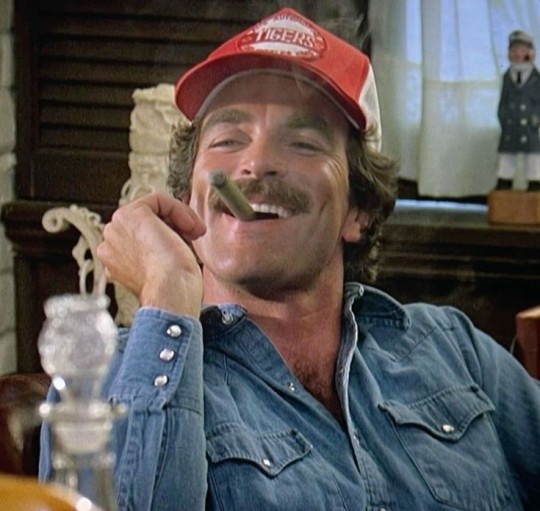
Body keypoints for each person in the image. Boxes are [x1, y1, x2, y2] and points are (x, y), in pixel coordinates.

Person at [40, 8, 540, 510]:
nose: (255, 164)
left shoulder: (454, 350)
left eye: (303, 143)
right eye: (228, 140)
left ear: (359, 209)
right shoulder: (106, 379)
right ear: (189, 200)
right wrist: (168, 288)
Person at [495, 29, 540, 192]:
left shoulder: (536, 79)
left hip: (530, 126)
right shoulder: (507, 77)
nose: (517, 54)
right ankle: (504, 181)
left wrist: (536, 118)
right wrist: (503, 118)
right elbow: (503, 101)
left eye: (521, 50)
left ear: (530, 53)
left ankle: (535, 182)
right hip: (510, 126)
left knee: (533, 157)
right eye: (513, 50)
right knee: (507, 155)